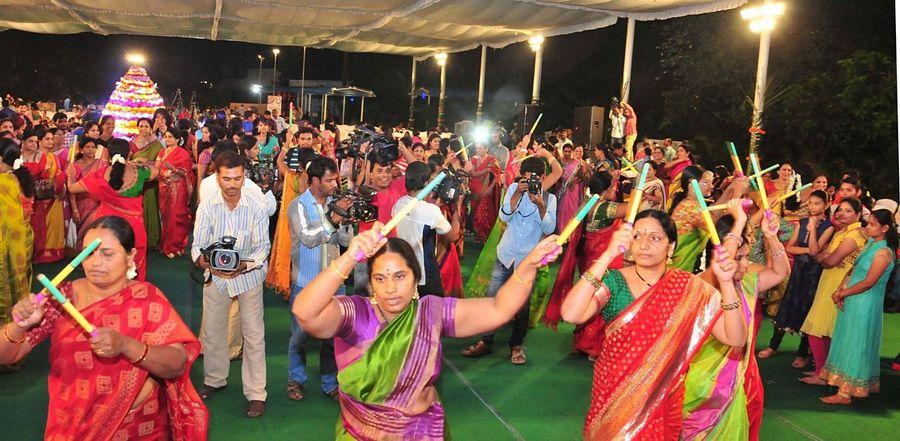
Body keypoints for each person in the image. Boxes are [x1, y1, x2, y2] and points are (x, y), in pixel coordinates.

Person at [293, 225, 561, 439]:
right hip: (363, 434)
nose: (390, 288)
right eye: (380, 278)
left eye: (400, 276)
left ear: (415, 278)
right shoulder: (354, 316)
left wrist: (527, 266)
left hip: (424, 432)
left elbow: (499, 309)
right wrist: (349, 257)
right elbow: (305, 312)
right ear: (371, 284)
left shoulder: (431, 313)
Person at [0, 216, 208, 439]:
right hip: (72, 424)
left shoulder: (147, 299)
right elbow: (6, 356)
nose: (95, 262)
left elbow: (176, 364)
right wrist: (18, 327)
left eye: (107, 254)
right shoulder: (61, 297)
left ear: (131, 257)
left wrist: (126, 345)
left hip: (136, 426)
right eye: (87, 254)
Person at [559, 210, 747, 439]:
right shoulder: (615, 281)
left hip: (662, 399)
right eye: (637, 236)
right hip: (614, 396)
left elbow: (735, 338)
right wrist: (607, 255)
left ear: (671, 247)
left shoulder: (688, 288)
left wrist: (726, 284)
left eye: (655, 238)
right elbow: (571, 314)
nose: (644, 244)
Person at [684, 204, 790, 440]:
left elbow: (780, 273)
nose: (744, 264)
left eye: (746, 257)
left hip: (737, 378)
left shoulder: (746, 284)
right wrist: (740, 222)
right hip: (703, 386)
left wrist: (772, 238)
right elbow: (721, 267)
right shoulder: (702, 286)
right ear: (717, 255)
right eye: (739, 257)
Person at [192, 150, 271, 418]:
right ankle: (214, 380)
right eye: (227, 179)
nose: (232, 184)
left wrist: (245, 264)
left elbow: (263, 249)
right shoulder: (208, 204)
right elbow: (197, 245)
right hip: (215, 275)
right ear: (217, 177)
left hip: (249, 275)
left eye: (237, 178)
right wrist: (202, 260)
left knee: (254, 335)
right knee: (212, 331)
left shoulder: (257, 205)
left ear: (244, 176)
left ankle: (256, 393)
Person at [461, 153, 560, 364]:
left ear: (543, 177)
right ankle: (486, 341)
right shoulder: (514, 190)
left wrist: (540, 205)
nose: (531, 182)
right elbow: (504, 216)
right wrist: (516, 194)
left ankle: (516, 345)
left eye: (535, 178)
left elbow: (550, 228)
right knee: (492, 299)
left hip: (527, 260)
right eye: (527, 179)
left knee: (522, 307)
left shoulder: (550, 199)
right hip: (505, 255)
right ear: (521, 178)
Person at [286, 156, 352, 401]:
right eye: (329, 179)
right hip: (306, 282)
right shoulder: (298, 206)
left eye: (335, 178)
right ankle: (295, 379)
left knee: (333, 337)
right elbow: (307, 237)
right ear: (315, 181)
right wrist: (332, 221)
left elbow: (345, 242)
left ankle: (329, 382)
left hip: (336, 283)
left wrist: (345, 223)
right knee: (300, 337)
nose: (334, 184)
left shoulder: (337, 204)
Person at [544, 171, 626, 358]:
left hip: (588, 256)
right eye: (613, 187)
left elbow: (571, 225)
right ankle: (592, 346)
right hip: (601, 260)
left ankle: (582, 342)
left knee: (587, 296)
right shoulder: (605, 207)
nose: (615, 190)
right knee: (601, 299)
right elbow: (632, 208)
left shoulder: (587, 203)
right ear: (605, 190)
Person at [817, 209, 896, 404]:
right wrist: (841, 288)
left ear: (885, 228)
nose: (866, 227)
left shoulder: (883, 252)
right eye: (867, 223)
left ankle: (846, 393)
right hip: (853, 299)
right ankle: (844, 385)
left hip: (865, 304)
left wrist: (842, 293)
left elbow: (869, 282)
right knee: (847, 340)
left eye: (871, 224)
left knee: (857, 343)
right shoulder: (871, 244)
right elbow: (854, 269)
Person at [758, 190, 832, 367]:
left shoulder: (828, 227)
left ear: (826, 205)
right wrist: (807, 250)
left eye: (817, 203)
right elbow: (791, 247)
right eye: (811, 203)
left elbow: (816, 249)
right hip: (799, 271)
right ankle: (773, 346)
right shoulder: (802, 222)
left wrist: (813, 230)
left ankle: (802, 353)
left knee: (807, 309)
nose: (813, 207)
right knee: (787, 306)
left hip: (814, 274)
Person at [69, 138, 158, 281]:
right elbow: (156, 171)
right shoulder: (140, 172)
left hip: (107, 226)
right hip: (134, 227)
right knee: (134, 260)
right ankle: (132, 294)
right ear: (129, 154)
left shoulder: (101, 174)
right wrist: (143, 163)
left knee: (106, 259)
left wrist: (70, 176)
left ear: (107, 155)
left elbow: (72, 188)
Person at [799, 198, 867, 384]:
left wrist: (826, 257)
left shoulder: (856, 235)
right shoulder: (842, 233)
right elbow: (823, 255)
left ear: (858, 215)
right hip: (829, 281)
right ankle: (824, 372)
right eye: (840, 210)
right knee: (824, 330)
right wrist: (826, 256)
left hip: (838, 284)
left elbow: (829, 260)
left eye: (848, 211)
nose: (841, 213)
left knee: (818, 329)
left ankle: (823, 373)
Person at [393, 162, 461, 297]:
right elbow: (453, 236)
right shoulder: (431, 211)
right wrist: (458, 207)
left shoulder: (399, 204)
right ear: (426, 183)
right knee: (433, 309)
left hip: (404, 267)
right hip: (425, 273)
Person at [267, 126, 316, 299]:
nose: (305, 142)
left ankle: (291, 289)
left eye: (308, 139)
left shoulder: (292, 176)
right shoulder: (316, 180)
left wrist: (285, 146)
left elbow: (280, 163)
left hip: (292, 223)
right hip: (311, 224)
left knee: (292, 253)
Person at [0, 139, 34, 328]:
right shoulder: (21, 176)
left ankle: (6, 329)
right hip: (25, 238)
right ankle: (21, 320)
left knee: (6, 286)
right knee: (20, 281)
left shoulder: (4, 181)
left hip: (9, 242)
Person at [21, 127, 65, 263]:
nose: (34, 144)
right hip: (17, 196)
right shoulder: (16, 155)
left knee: (35, 227)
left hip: (35, 198)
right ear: (23, 142)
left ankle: (33, 255)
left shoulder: (40, 157)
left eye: (35, 142)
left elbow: (45, 178)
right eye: (31, 141)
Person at [156, 127, 194, 258]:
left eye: (170, 137)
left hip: (177, 189)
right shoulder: (161, 152)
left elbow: (185, 173)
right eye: (165, 136)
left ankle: (175, 246)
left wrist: (173, 169)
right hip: (163, 188)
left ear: (178, 139)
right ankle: (166, 244)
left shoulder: (182, 153)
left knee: (176, 217)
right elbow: (156, 168)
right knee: (165, 217)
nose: (167, 139)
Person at [130, 118, 164, 250]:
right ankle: (137, 239)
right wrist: (135, 162)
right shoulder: (132, 143)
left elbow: (160, 163)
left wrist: (146, 162)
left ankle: (152, 240)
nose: (143, 129)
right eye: (141, 126)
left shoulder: (157, 144)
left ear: (151, 127)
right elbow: (127, 160)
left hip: (151, 181)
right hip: (136, 181)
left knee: (151, 207)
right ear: (137, 127)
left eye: (146, 126)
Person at [65, 137, 103, 249]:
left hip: (98, 202)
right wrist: (75, 209)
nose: (91, 149)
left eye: (93, 147)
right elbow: (71, 189)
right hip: (82, 203)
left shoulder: (100, 164)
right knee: (83, 231)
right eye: (87, 147)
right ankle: (83, 259)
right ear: (81, 150)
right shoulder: (75, 166)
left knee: (97, 230)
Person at [470, 141, 502, 242]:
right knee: (474, 211)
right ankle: (477, 236)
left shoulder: (492, 160)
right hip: (474, 189)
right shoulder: (474, 159)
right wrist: (487, 170)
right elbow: (472, 174)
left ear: (487, 148)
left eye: (481, 148)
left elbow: (497, 177)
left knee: (484, 213)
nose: (479, 151)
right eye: (477, 148)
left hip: (486, 191)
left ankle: (484, 236)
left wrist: (490, 188)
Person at [556, 143, 590, 233]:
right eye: (577, 151)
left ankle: (572, 234)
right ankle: (561, 232)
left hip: (575, 191)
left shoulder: (581, 164)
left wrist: (578, 178)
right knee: (562, 211)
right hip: (563, 191)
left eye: (581, 151)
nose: (579, 153)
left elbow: (585, 179)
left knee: (573, 211)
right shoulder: (563, 162)